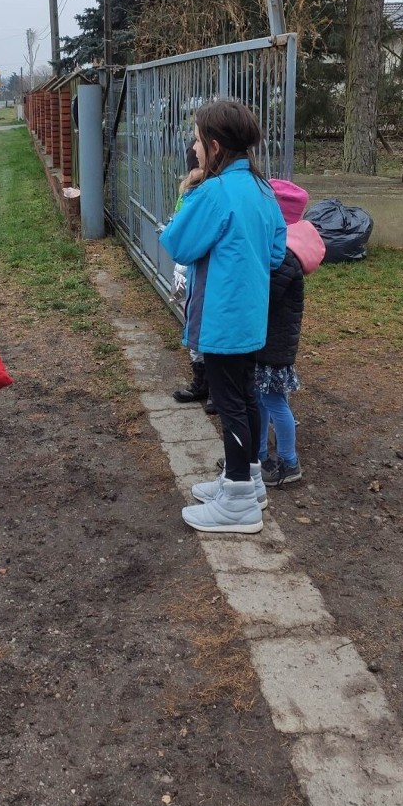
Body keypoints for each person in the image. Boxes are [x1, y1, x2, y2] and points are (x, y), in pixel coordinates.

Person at [160, 100, 286, 534]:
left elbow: (178, 243)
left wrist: (186, 196)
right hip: (252, 316)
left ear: (214, 147)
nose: (192, 148)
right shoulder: (263, 188)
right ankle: (248, 481)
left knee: (230, 403)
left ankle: (236, 503)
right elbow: (274, 253)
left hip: (221, 317)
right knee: (246, 397)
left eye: (196, 140)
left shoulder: (214, 192)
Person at [257, 181, 325, 486]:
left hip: (273, 344)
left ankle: (290, 461)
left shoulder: (284, 255)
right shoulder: (284, 247)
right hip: (270, 341)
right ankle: (256, 455)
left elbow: (265, 296)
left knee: (274, 401)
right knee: (260, 398)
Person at [170, 142, 216, 415]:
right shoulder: (187, 192)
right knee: (194, 324)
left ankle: (214, 388)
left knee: (208, 328)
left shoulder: (211, 192)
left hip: (207, 272)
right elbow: (179, 223)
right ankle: (201, 382)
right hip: (188, 269)